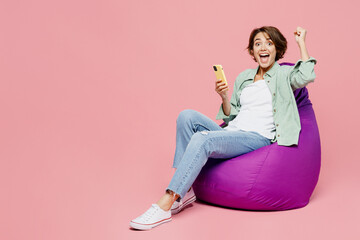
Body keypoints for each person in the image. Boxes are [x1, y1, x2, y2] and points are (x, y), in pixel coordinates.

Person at [129, 26, 317, 230]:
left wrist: (301, 43)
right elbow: (231, 115)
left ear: (277, 49)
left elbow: (307, 75)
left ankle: (167, 201)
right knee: (186, 116)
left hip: (257, 137)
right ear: (252, 52)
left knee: (202, 139)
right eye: (258, 43)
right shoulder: (244, 77)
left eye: (269, 43)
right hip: (233, 131)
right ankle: (187, 189)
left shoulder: (284, 74)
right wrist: (224, 96)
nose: (263, 47)